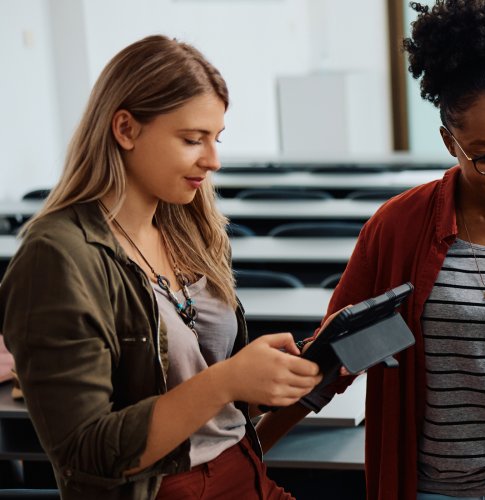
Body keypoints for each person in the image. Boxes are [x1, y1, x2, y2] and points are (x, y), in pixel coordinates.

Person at [253, 1, 485, 499]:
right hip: (423, 485)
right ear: (450, 143)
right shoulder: (398, 228)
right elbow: (338, 355)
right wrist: (250, 449)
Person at [0, 35, 322, 500]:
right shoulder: (56, 256)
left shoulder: (188, 225)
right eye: (193, 140)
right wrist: (226, 379)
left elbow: (202, 396)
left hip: (245, 473)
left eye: (216, 139)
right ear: (126, 129)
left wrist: (263, 379)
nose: (212, 161)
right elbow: (86, 452)